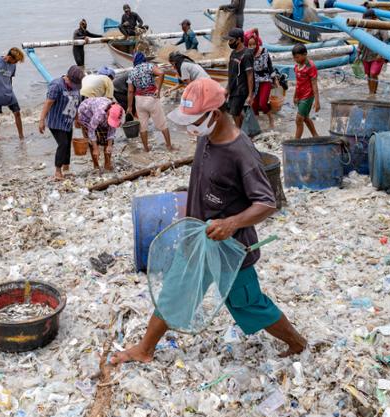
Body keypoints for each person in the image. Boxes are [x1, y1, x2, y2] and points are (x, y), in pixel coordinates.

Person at [110, 78, 307, 365]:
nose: (189, 128)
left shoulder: (241, 152)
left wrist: (231, 223)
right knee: (175, 291)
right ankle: (145, 349)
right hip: (198, 238)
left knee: (248, 304)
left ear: (214, 115)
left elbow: (266, 202)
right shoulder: (206, 137)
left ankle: (297, 343)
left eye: (194, 121)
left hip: (232, 247)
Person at [38, 66, 84, 180]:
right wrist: (41, 120)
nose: (75, 86)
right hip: (56, 121)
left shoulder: (76, 87)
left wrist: (77, 119)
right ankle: (57, 171)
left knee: (68, 144)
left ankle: (66, 169)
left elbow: (76, 103)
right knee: (63, 144)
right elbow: (48, 103)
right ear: (67, 78)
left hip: (68, 120)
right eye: (73, 83)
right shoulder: (56, 85)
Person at [127, 52, 173, 152]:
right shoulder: (149, 66)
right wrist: (158, 90)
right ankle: (169, 146)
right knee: (162, 123)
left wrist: (129, 107)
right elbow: (161, 73)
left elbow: (130, 91)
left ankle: (146, 148)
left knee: (143, 126)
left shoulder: (131, 72)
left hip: (139, 100)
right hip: (151, 98)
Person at [77, 97, 124, 171]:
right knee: (93, 142)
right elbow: (91, 131)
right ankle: (96, 165)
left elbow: (112, 129)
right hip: (86, 114)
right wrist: (95, 148)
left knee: (106, 140)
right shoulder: (100, 113)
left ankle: (107, 164)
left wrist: (109, 145)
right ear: (108, 113)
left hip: (98, 113)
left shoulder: (119, 111)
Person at [224, 28, 254, 129]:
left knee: (235, 112)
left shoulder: (246, 54)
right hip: (233, 87)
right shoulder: (233, 53)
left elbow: (250, 74)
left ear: (239, 39)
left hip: (241, 89)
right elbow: (232, 73)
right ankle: (241, 128)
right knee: (232, 111)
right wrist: (227, 88)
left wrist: (250, 95)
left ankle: (237, 134)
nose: (229, 42)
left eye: (231, 40)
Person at [245, 29, 275, 129]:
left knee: (262, 103)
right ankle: (257, 126)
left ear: (257, 43)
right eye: (250, 45)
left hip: (265, 79)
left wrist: (275, 80)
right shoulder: (247, 55)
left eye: (254, 44)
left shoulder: (264, 51)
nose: (252, 47)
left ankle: (271, 118)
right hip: (254, 81)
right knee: (254, 105)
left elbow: (270, 66)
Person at [357, 9, 389, 95]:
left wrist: (381, 53)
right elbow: (361, 39)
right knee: (368, 74)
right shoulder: (364, 25)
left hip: (377, 54)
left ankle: (372, 93)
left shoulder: (380, 25)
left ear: (373, 18)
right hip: (366, 53)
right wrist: (358, 53)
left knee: (373, 73)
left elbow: (385, 40)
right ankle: (372, 92)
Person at [292, 44, 320, 139]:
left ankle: (296, 141)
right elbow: (298, 83)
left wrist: (317, 102)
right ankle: (315, 136)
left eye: (297, 57)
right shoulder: (297, 66)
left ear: (305, 54)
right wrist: (295, 96)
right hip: (300, 96)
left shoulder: (310, 67)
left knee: (299, 119)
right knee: (306, 118)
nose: (296, 59)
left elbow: (314, 84)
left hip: (308, 96)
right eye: (294, 57)